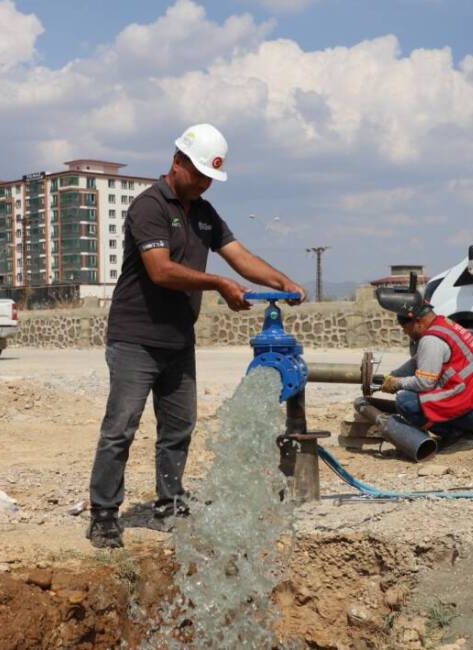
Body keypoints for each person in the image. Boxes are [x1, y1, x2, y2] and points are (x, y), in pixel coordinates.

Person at [87, 123, 306, 548]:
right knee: (121, 427)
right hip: (135, 338)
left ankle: (169, 503)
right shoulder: (148, 207)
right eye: (200, 174)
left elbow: (239, 256)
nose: (205, 183)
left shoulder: (203, 213)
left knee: (179, 426)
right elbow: (161, 270)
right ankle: (104, 514)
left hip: (177, 339)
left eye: (210, 177)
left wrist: (284, 282)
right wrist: (220, 285)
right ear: (177, 162)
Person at [378, 301, 473, 447]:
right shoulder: (444, 323)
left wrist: (397, 383)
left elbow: (425, 383)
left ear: (417, 322)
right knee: (420, 397)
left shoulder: (431, 340)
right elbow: (418, 361)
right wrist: (392, 375)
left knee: (406, 402)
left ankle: (459, 436)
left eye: (405, 328)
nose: (406, 333)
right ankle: (472, 426)